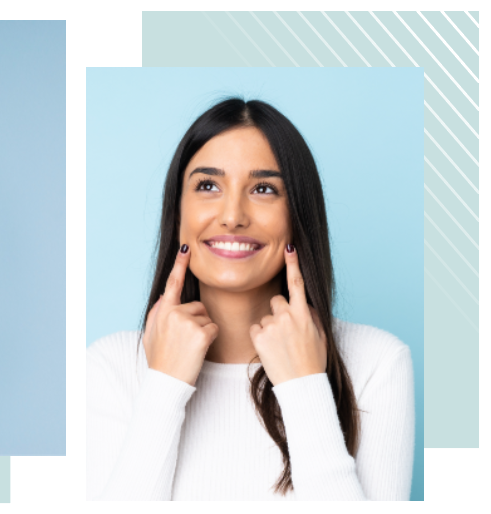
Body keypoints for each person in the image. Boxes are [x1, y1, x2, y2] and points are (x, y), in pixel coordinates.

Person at [86, 98, 415, 500]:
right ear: (178, 211)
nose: (232, 215)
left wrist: (305, 385)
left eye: (264, 188)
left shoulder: (376, 363)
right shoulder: (113, 366)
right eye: (208, 185)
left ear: (298, 214)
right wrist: (163, 386)